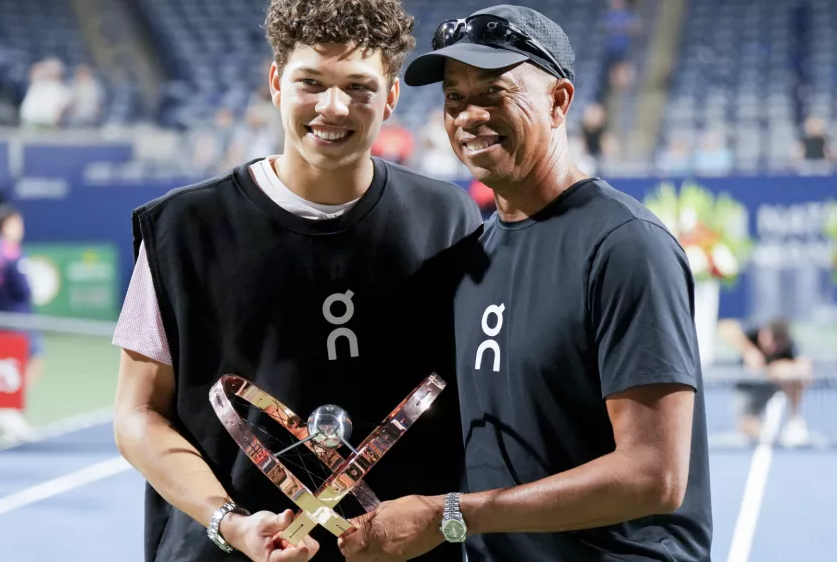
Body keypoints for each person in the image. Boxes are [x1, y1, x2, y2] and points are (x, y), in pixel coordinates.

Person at [337, 5, 712, 562]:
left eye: (493, 94)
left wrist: (451, 515)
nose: (468, 116)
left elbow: (653, 474)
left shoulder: (626, 245)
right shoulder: (473, 257)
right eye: (454, 99)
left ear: (559, 102)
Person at [111, 1, 482, 561]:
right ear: (277, 83)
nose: (333, 108)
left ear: (392, 97)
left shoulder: (450, 220)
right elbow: (137, 415)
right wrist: (230, 521)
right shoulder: (181, 230)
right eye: (312, 82)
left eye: (358, 86)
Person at [0, 203, 42, 440]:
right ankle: (8, 408)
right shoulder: (11, 253)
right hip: (18, 319)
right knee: (31, 362)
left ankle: (6, 409)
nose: (20, 227)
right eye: (16, 223)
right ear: (5, 226)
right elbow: (24, 289)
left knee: (7, 365)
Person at [718, 318, 812, 446]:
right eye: (767, 338)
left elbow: (805, 369)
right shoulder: (752, 336)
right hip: (749, 391)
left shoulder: (790, 347)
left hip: (773, 386)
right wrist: (748, 350)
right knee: (748, 429)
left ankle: (794, 421)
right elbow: (725, 326)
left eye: (775, 342)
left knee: (794, 379)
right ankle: (762, 428)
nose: (770, 344)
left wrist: (775, 369)